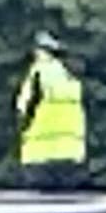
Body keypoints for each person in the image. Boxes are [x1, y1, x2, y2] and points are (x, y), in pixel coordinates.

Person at [14, 33, 87, 184]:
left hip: (39, 156)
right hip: (72, 154)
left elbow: (23, 109)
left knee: (40, 206)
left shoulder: (38, 73)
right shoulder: (71, 75)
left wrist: (23, 128)